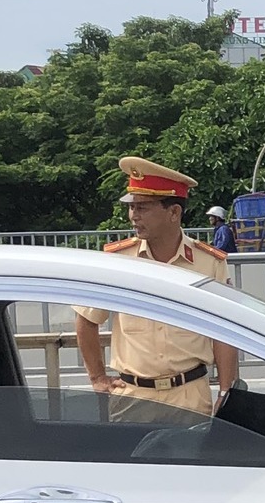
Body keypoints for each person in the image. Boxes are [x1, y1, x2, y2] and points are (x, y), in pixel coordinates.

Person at [74, 157, 238, 419]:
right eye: (132, 207)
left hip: (190, 395)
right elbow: (86, 318)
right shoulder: (119, 261)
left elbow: (224, 332)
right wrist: (97, 377)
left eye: (143, 208)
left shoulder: (208, 263)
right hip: (133, 396)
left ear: (174, 212)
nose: (133, 216)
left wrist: (226, 391)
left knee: (193, 459)